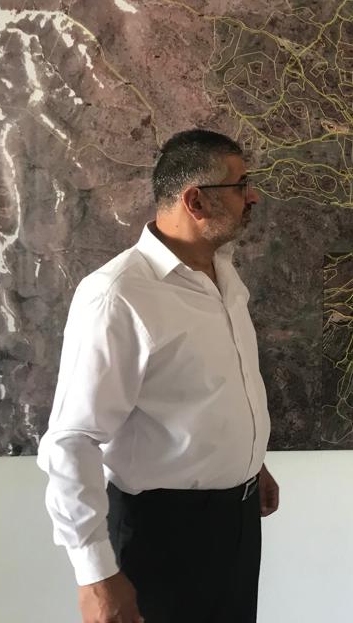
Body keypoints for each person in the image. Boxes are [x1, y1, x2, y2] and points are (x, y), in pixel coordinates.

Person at [38, 129, 278, 623]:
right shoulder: (119, 295)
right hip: (162, 536)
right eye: (240, 184)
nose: (252, 195)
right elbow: (73, 439)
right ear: (196, 201)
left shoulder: (222, 274)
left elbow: (207, 391)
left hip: (236, 522)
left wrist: (249, 463)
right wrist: (96, 577)